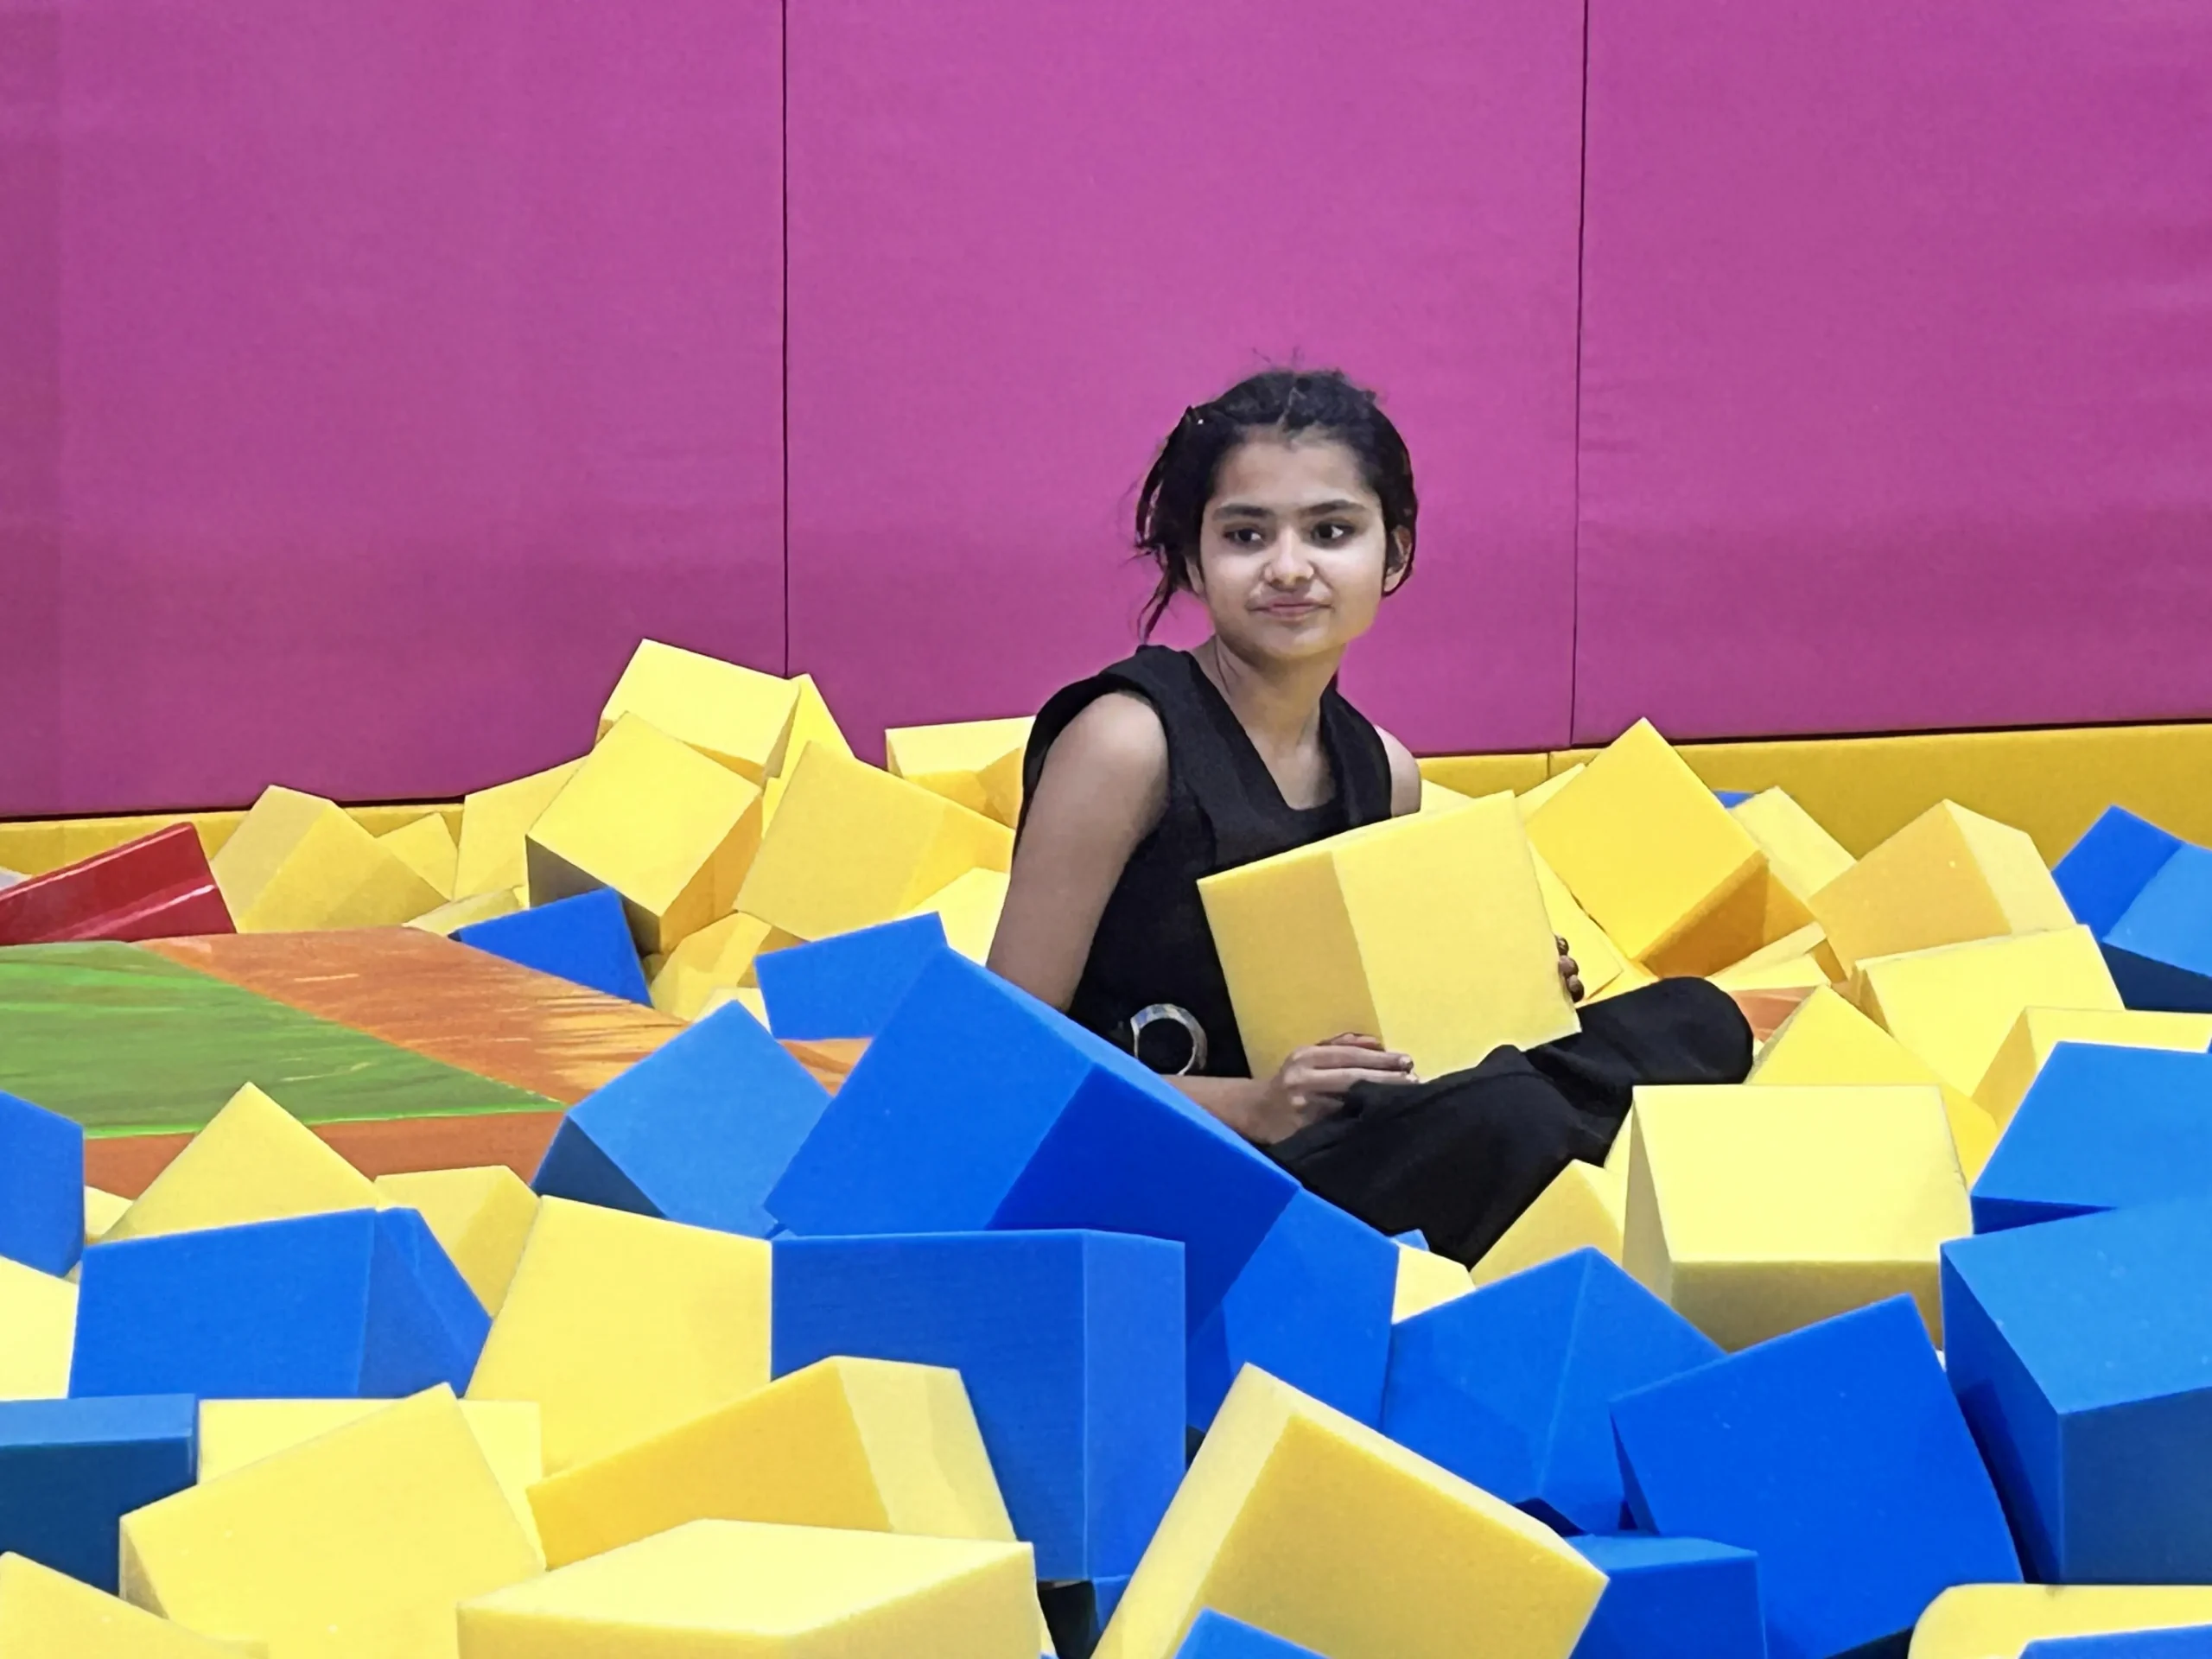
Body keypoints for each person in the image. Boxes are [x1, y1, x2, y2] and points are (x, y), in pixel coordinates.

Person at [988, 368, 1751, 1264]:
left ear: (1393, 554)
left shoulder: (1383, 769)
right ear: (1193, 561)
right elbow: (1006, 1053)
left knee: (1697, 1021)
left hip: (1340, 1133)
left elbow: (1385, 1030)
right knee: (1510, 1117)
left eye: (1330, 531)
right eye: (1245, 534)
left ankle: (1538, 1162)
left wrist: (1499, 989)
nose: (1288, 568)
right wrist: (1253, 1105)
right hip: (1170, 1164)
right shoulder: (1127, 741)